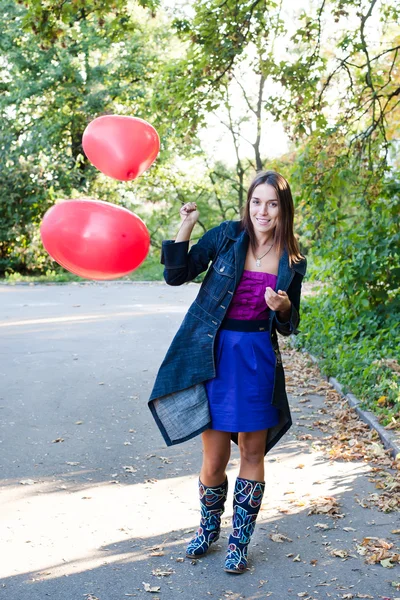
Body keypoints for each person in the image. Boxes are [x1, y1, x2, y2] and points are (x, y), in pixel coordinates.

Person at [148, 170, 307, 573]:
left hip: (256, 359)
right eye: (257, 201)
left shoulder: (293, 258)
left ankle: (239, 543)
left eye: (272, 203)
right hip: (212, 355)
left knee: (252, 452)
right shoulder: (226, 236)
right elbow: (176, 275)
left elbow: (290, 323)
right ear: (248, 203)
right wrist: (186, 225)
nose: (263, 211)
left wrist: (283, 308)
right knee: (215, 458)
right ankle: (208, 529)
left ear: (282, 209)